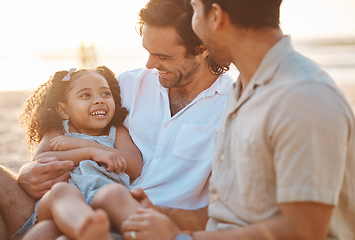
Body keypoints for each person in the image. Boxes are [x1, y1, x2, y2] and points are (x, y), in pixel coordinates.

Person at [0, 0, 234, 239]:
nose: (149, 65)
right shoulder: (127, 85)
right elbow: (66, 130)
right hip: (74, 204)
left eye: (162, 56)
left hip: (139, 223)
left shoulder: (234, 109)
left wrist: (161, 215)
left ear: (203, 49)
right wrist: (28, 173)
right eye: (147, 51)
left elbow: (230, 210)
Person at [121, 0, 355, 239]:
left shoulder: (302, 96)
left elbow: (304, 231)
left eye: (195, 10)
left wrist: (178, 237)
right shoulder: (245, 89)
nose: (193, 25)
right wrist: (161, 216)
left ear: (215, 16)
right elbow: (232, 215)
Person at [19, 66, 142, 240]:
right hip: (62, 206)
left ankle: (143, 232)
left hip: (104, 197)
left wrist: (85, 144)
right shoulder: (59, 131)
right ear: (64, 110)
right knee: (61, 191)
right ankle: (85, 228)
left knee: (115, 193)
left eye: (105, 94)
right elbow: (40, 160)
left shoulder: (117, 132)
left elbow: (135, 166)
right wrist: (88, 152)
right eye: (86, 95)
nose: (99, 100)